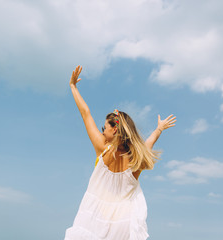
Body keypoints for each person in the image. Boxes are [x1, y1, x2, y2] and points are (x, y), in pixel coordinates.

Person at [65, 65, 176, 240]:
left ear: (115, 129)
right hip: (121, 226)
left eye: (105, 127)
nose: (102, 131)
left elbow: (85, 113)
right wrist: (159, 129)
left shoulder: (102, 149)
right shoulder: (136, 161)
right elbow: (149, 143)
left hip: (93, 220)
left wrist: (72, 86)